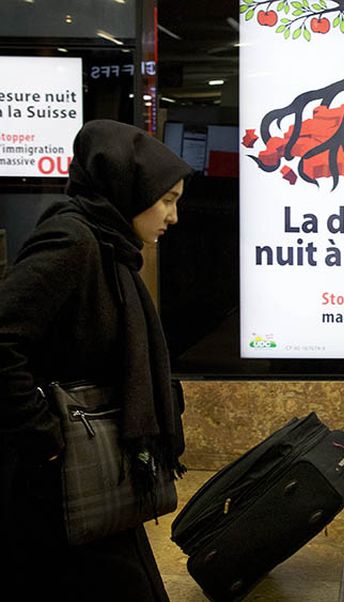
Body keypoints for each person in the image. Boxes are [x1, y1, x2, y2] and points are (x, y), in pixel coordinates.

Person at [0, 120, 192, 600]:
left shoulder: (110, 246)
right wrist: (45, 437)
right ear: (130, 189)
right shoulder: (73, 241)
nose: (173, 217)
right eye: (167, 200)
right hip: (59, 480)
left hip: (95, 467)